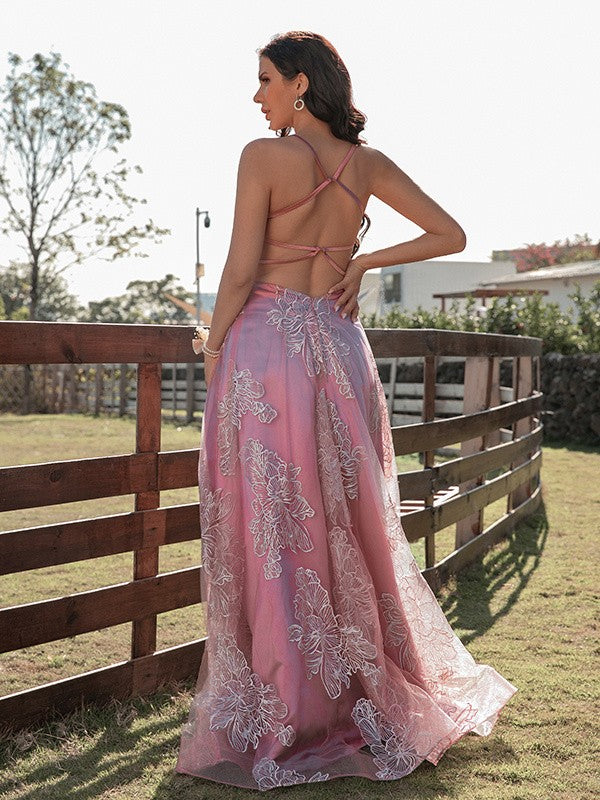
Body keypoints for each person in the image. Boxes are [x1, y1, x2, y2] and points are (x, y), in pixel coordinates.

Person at [175, 30, 517, 792]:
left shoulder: (262, 157)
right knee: (347, 522)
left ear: (300, 84)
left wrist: (213, 343)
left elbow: (240, 267)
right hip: (337, 345)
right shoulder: (366, 165)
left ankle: (290, 708)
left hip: (268, 349)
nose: (257, 95)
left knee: (273, 524)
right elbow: (451, 233)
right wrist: (363, 261)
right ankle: (353, 693)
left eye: (265, 80)